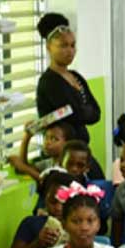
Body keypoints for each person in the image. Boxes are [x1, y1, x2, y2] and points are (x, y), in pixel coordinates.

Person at [35, 13, 103, 179]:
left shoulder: (76, 76)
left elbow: (96, 113)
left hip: (81, 151)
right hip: (64, 157)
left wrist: (82, 112)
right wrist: (83, 111)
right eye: (63, 45)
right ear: (49, 47)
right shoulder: (49, 81)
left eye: (73, 45)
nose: (70, 51)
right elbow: (77, 113)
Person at [8, 171, 75, 248]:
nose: (58, 208)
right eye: (53, 202)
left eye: (64, 202)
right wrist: (38, 244)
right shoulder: (31, 223)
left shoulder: (78, 226)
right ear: (45, 198)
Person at [8, 120, 74, 182]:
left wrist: (23, 167)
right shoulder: (50, 162)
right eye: (46, 137)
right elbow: (24, 169)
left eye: (54, 139)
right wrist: (27, 136)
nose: (47, 142)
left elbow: (50, 183)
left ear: (67, 144)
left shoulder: (70, 165)